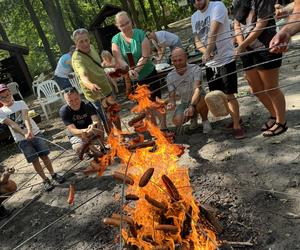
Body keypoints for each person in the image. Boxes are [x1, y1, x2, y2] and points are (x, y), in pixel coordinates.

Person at [191, 0, 245, 139]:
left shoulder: (217, 6)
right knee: (218, 95)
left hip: (226, 59)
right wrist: (206, 52)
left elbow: (213, 31)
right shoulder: (194, 17)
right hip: (210, 64)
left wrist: (208, 51)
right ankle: (235, 119)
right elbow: (197, 40)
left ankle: (237, 125)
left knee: (229, 94)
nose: (198, 1)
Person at [234, 0, 288, 136]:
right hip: (247, 50)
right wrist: (242, 46)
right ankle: (274, 115)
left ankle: (281, 122)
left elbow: (261, 24)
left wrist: (242, 45)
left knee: (271, 88)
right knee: (255, 88)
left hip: (265, 46)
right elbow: (236, 23)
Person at [0, 84, 65, 192]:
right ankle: (45, 180)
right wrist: (24, 133)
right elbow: (12, 124)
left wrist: (29, 131)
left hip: (35, 133)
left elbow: (26, 117)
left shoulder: (20, 103)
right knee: (35, 160)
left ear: (10, 93)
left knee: (44, 155)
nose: (6, 99)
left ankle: (53, 174)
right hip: (21, 139)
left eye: (7, 95)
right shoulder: (1, 112)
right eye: (2, 97)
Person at [112, 11, 166, 129]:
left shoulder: (140, 34)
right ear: (117, 26)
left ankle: (164, 128)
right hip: (134, 80)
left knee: (157, 103)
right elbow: (119, 58)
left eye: (127, 23)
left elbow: (145, 56)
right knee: (145, 107)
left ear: (131, 21)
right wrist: (128, 69)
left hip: (149, 74)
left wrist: (137, 69)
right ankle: (156, 132)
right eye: (122, 25)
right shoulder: (116, 40)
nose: (125, 27)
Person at [71, 28, 121, 133]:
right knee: (107, 118)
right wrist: (90, 85)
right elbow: (83, 76)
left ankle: (121, 134)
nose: (85, 44)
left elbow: (98, 65)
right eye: (81, 41)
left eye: (86, 40)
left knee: (115, 113)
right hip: (96, 94)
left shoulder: (92, 47)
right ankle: (114, 141)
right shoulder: (77, 59)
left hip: (106, 87)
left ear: (89, 39)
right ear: (75, 43)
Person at [166, 48, 212, 133]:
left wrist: (191, 105)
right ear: (172, 61)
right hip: (184, 102)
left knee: (201, 101)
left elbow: (197, 89)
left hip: (198, 98)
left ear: (186, 58)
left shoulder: (195, 69)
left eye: (180, 60)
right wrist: (171, 103)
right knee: (177, 121)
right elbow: (171, 96)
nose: (178, 63)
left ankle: (205, 121)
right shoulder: (170, 76)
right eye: (175, 61)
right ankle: (193, 118)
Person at [59, 87, 105, 156]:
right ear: (66, 101)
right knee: (78, 147)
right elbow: (72, 129)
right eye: (70, 101)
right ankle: (90, 151)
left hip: (91, 130)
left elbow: (96, 120)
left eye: (76, 99)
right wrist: (83, 131)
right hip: (77, 134)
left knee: (100, 126)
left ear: (79, 96)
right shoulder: (64, 111)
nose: (74, 102)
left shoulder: (87, 105)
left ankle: (102, 148)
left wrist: (92, 125)